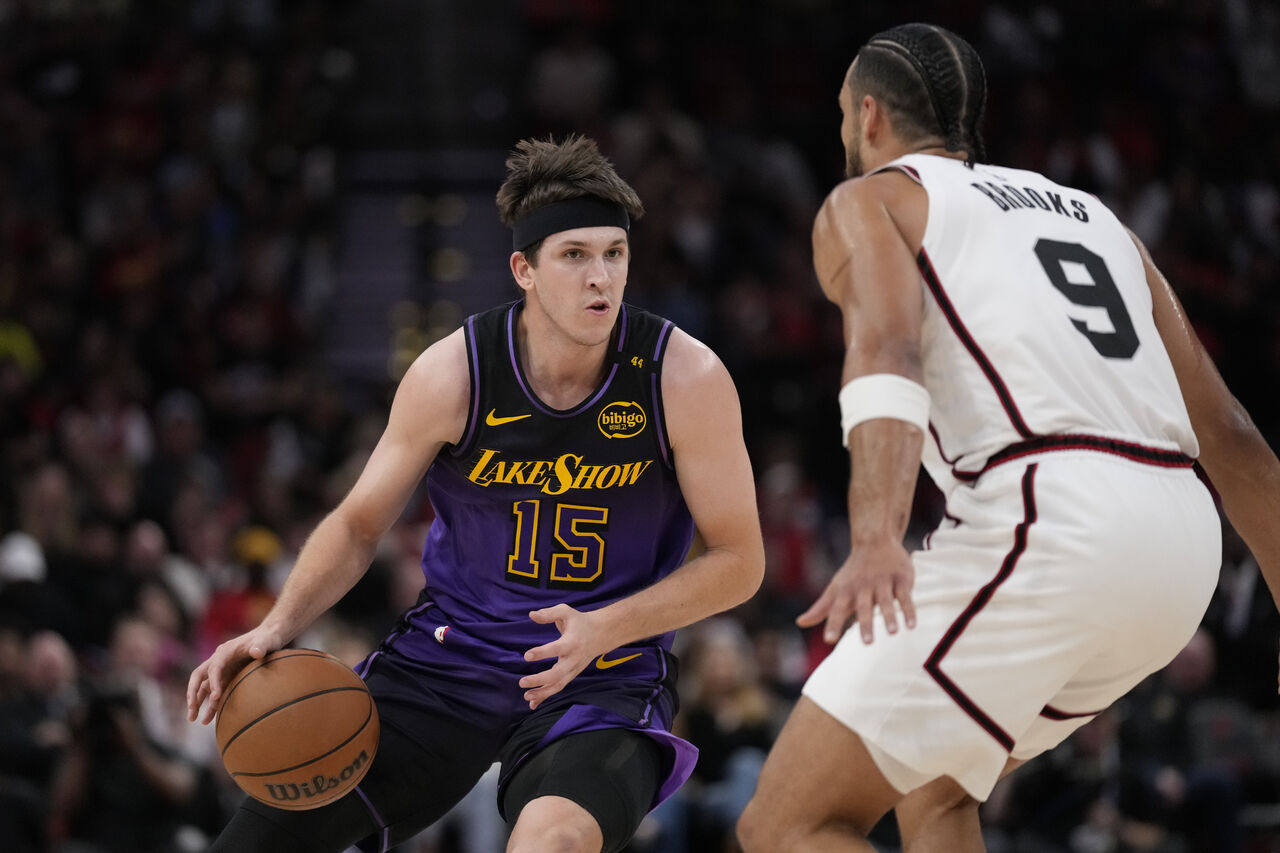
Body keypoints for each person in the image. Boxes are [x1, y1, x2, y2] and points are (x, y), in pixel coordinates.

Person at [737, 22, 1280, 853]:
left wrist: (877, 535)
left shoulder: (870, 200)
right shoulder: (1099, 219)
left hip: (1051, 516)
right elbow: (1233, 435)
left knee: (786, 823)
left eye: (845, 114)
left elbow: (888, 349)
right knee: (933, 786)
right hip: (1182, 552)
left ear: (868, 116)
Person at [186, 134, 764, 853]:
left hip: (600, 676)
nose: (601, 278)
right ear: (525, 269)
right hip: (449, 664)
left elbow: (741, 561)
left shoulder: (684, 377)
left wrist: (605, 627)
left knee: (553, 844)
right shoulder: (453, 373)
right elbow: (360, 524)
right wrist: (277, 626)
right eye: (575, 255)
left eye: (614, 253)